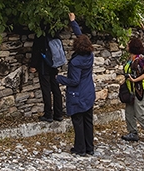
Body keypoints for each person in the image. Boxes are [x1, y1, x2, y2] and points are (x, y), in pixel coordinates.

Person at [56, 13, 95, 156]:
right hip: (88, 92)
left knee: (78, 121)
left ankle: (80, 149)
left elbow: (74, 81)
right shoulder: (90, 56)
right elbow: (81, 37)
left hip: (78, 94)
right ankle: (89, 148)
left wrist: (59, 78)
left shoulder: (76, 62)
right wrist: (73, 22)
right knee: (88, 121)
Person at [30, 28, 64, 122]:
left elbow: (36, 49)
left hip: (44, 65)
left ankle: (48, 114)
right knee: (56, 89)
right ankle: (58, 113)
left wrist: (33, 65)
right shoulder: (55, 31)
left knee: (46, 90)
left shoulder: (41, 34)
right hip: (54, 64)